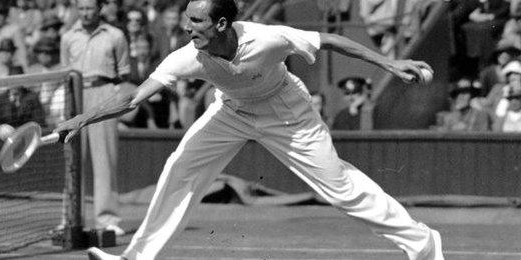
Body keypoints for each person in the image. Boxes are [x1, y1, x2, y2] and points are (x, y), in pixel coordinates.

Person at [54, 0, 443, 259]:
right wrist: (81, 120)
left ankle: (423, 245)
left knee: (339, 189)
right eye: (187, 18)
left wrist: (389, 64)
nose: (188, 27)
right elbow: (134, 97)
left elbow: (331, 40)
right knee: (180, 167)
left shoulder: (267, 38)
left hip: (287, 113)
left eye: (197, 20)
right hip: (232, 112)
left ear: (221, 23)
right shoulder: (188, 55)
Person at [60, 0, 130, 236]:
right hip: (75, 96)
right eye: (81, 8)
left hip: (105, 94)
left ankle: (108, 219)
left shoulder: (116, 36)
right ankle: (69, 219)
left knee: (105, 160)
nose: (85, 13)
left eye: (90, 8)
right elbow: (64, 72)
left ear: (99, 8)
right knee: (73, 160)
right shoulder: (68, 37)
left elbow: (124, 73)